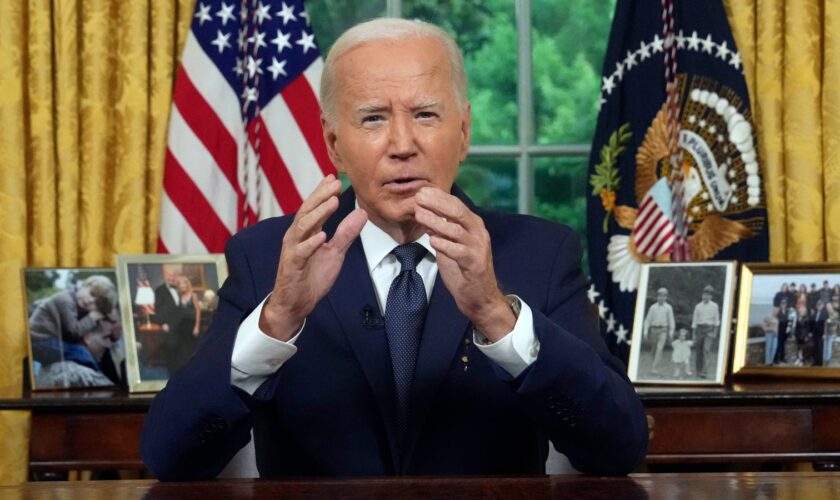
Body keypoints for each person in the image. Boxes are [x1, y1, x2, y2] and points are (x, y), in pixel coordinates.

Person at [141, 18, 647, 480]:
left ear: (464, 131)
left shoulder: (541, 252)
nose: (403, 144)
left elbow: (618, 449)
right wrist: (276, 320)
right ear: (334, 143)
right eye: (373, 119)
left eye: (426, 114)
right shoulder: (267, 257)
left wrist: (496, 314)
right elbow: (171, 458)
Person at [642, 288, 675, 376]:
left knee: (659, 349)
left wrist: (671, 333)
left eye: (663, 296)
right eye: (660, 296)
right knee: (653, 350)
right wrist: (645, 332)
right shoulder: (653, 307)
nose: (661, 298)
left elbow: (671, 321)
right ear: (657, 296)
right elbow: (648, 320)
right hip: (654, 330)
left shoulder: (668, 308)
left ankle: (654, 368)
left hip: (663, 330)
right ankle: (653, 365)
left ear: (666, 297)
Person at [692, 285, 720, 378]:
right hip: (700, 329)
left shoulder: (714, 306)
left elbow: (716, 320)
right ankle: (698, 370)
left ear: (711, 296)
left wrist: (715, 332)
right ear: (702, 295)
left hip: (710, 330)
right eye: (704, 294)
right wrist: (694, 334)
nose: (705, 297)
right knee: (699, 351)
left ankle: (705, 372)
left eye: (708, 295)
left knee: (706, 350)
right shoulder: (698, 306)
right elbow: (695, 321)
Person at [774, 299, 796, 364]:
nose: (783, 305)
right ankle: (776, 359)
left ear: (786, 305)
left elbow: (790, 319)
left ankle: (782, 358)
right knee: (778, 345)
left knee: (783, 345)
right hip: (779, 331)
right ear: (780, 304)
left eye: (784, 304)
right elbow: (776, 320)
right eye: (782, 303)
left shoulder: (787, 311)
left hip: (785, 331)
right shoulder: (778, 311)